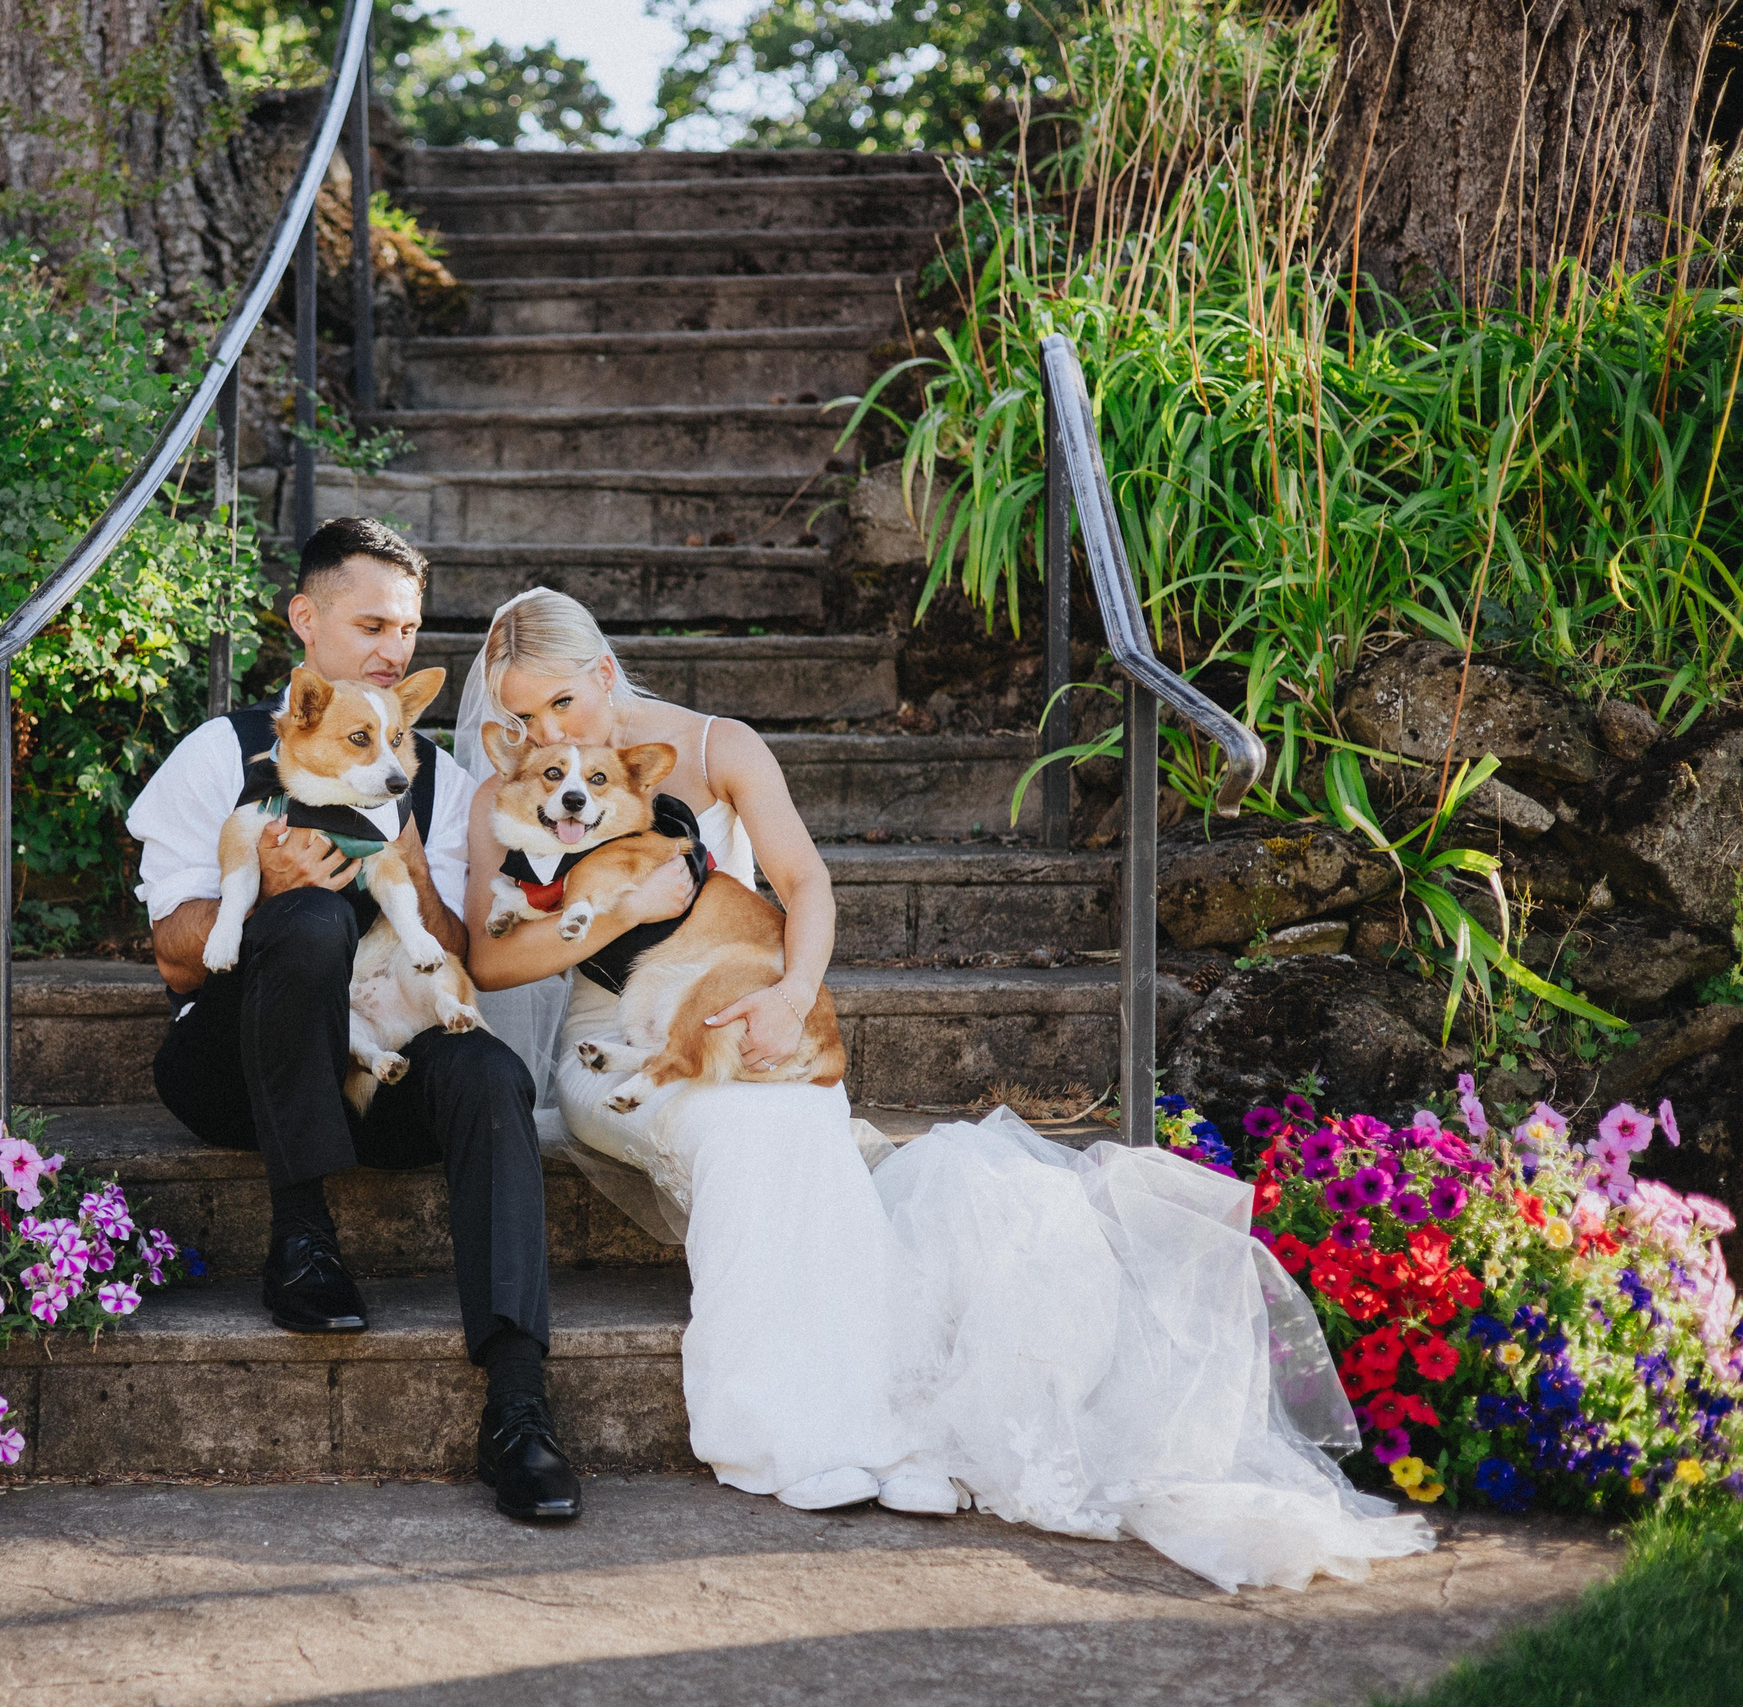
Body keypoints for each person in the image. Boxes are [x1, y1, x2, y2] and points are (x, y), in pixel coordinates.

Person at [455, 588, 1437, 1590]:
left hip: (740, 1008)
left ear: (604, 676)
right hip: (610, 1049)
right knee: (752, 1140)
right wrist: (622, 917)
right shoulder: (517, 786)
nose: (543, 732)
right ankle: (778, 1430)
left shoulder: (719, 748)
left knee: (795, 1117)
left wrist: (793, 994)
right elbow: (488, 965)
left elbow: (804, 887)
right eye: (522, 717)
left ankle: (890, 1423)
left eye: (560, 705)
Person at [126, 519, 579, 1523]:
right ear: (306, 620)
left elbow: (462, 958)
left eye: (407, 630)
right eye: (371, 622)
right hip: (231, 1067)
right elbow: (169, 952)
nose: (391, 648)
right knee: (310, 916)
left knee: (492, 1076)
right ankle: (301, 1237)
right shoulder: (223, 751)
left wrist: (417, 869)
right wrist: (274, 885)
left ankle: (517, 1406)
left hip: (380, 1068)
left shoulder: (429, 775)